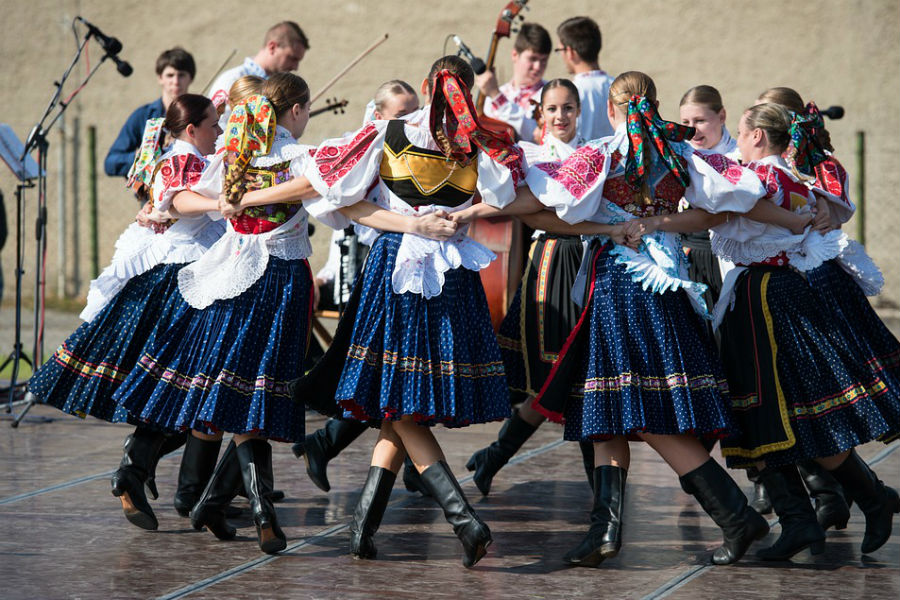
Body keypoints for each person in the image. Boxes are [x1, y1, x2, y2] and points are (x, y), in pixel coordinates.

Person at [456, 71, 802, 568]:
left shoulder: (600, 155)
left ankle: (735, 515)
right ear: (655, 104)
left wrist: (600, 227)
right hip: (668, 282)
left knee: (636, 408)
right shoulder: (677, 151)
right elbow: (717, 212)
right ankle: (605, 530)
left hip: (623, 287)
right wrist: (662, 222)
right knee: (608, 409)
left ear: (613, 110)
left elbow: (534, 211)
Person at [258, 55, 523, 567]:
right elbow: (344, 200)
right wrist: (419, 225)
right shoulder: (399, 134)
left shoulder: (469, 142)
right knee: (397, 399)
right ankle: (413, 523)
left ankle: (425, 523)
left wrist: (461, 215)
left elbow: (507, 194)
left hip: (434, 275)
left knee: (397, 401)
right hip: (412, 270)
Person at [114, 74, 326, 554]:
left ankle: (197, 497)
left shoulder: (238, 156)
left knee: (215, 388)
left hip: (226, 275)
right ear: (293, 111)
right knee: (216, 386)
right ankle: (166, 478)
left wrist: (233, 199)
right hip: (236, 277)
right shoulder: (280, 156)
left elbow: (179, 198)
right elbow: (322, 187)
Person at [709, 101, 900, 560]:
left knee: (766, 410)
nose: (736, 140)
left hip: (766, 299)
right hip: (769, 295)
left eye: (740, 130)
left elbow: (726, 201)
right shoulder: (795, 179)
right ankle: (835, 508)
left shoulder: (764, 179)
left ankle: (841, 507)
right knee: (786, 413)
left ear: (757, 136)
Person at [29, 94, 225, 530]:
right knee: (185, 389)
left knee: (185, 392)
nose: (219, 131)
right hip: (181, 282)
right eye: (213, 124)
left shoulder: (196, 155)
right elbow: (177, 201)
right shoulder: (181, 160)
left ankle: (148, 475)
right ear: (191, 130)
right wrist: (218, 203)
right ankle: (148, 475)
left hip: (193, 276)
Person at [293, 80, 428, 496]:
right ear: (381, 115)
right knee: (385, 374)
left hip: (411, 266)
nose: (411, 121)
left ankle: (330, 444)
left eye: (415, 112)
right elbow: (340, 212)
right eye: (402, 114)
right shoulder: (369, 150)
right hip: (379, 270)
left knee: (396, 374)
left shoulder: (414, 149)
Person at [467, 79, 600, 496]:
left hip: (590, 261)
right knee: (562, 378)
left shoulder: (594, 154)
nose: (561, 116)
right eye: (553, 109)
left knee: (575, 379)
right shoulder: (530, 154)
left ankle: (496, 455)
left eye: (568, 108)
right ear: (540, 114)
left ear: (579, 112)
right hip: (552, 263)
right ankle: (601, 497)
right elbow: (519, 206)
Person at [104, 48, 196, 181]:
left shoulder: (200, 114)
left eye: (181, 75)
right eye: (170, 75)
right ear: (160, 78)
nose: (176, 81)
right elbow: (110, 163)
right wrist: (142, 155)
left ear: (190, 78)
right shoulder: (142, 116)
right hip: (151, 197)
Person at [208, 21, 309, 125]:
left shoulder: (277, 89)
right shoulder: (231, 80)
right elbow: (219, 129)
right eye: (292, 58)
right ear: (272, 47)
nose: (295, 67)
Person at [475, 22, 551, 142]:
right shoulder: (495, 95)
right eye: (532, 59)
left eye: (543, 60)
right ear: (515, 55)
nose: (538, 66)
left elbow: (535, 135)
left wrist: (497, 96)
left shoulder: (550, 94)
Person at [555, 16, 615, 141]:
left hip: (582, 159)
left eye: (559, 50)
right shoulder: (619, 87)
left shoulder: (568, 93)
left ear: (570, 51)